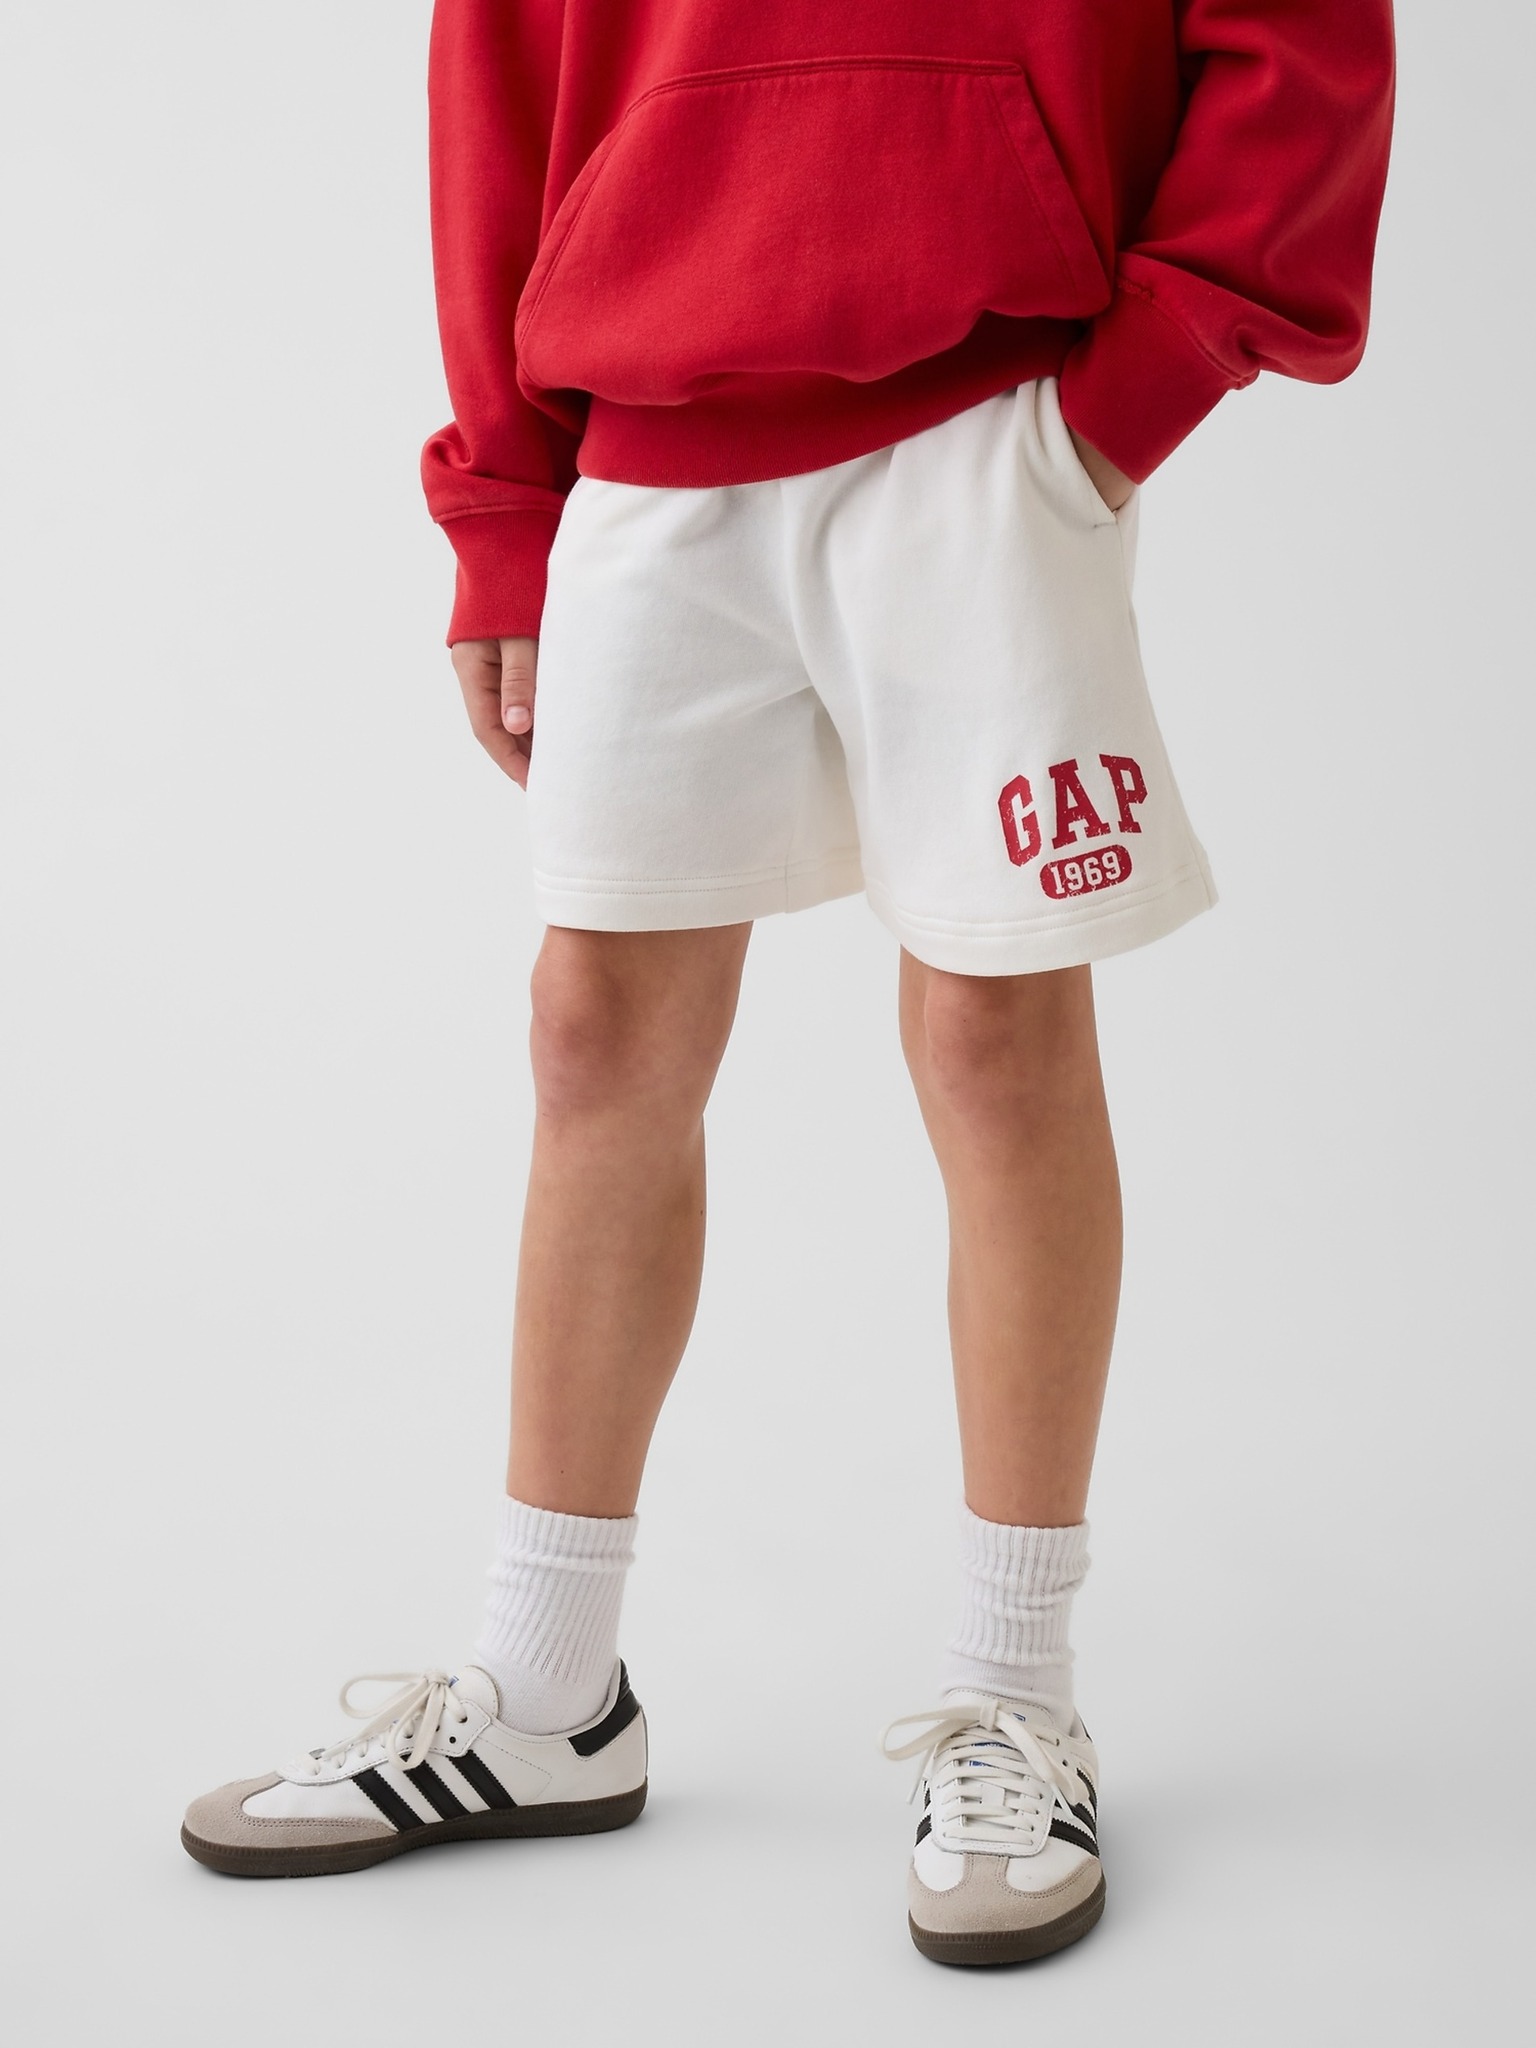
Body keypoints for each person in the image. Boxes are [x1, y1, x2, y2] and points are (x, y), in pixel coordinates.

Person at [182, 0, 1395, 1964]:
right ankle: (548, 1687)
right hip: (649, 415)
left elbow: (1303, 33)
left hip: (991, 420)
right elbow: (498, 63)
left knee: (994, 1034)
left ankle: (1016, 1691)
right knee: (594, 1033)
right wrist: (507, 498)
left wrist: (1146, 373)